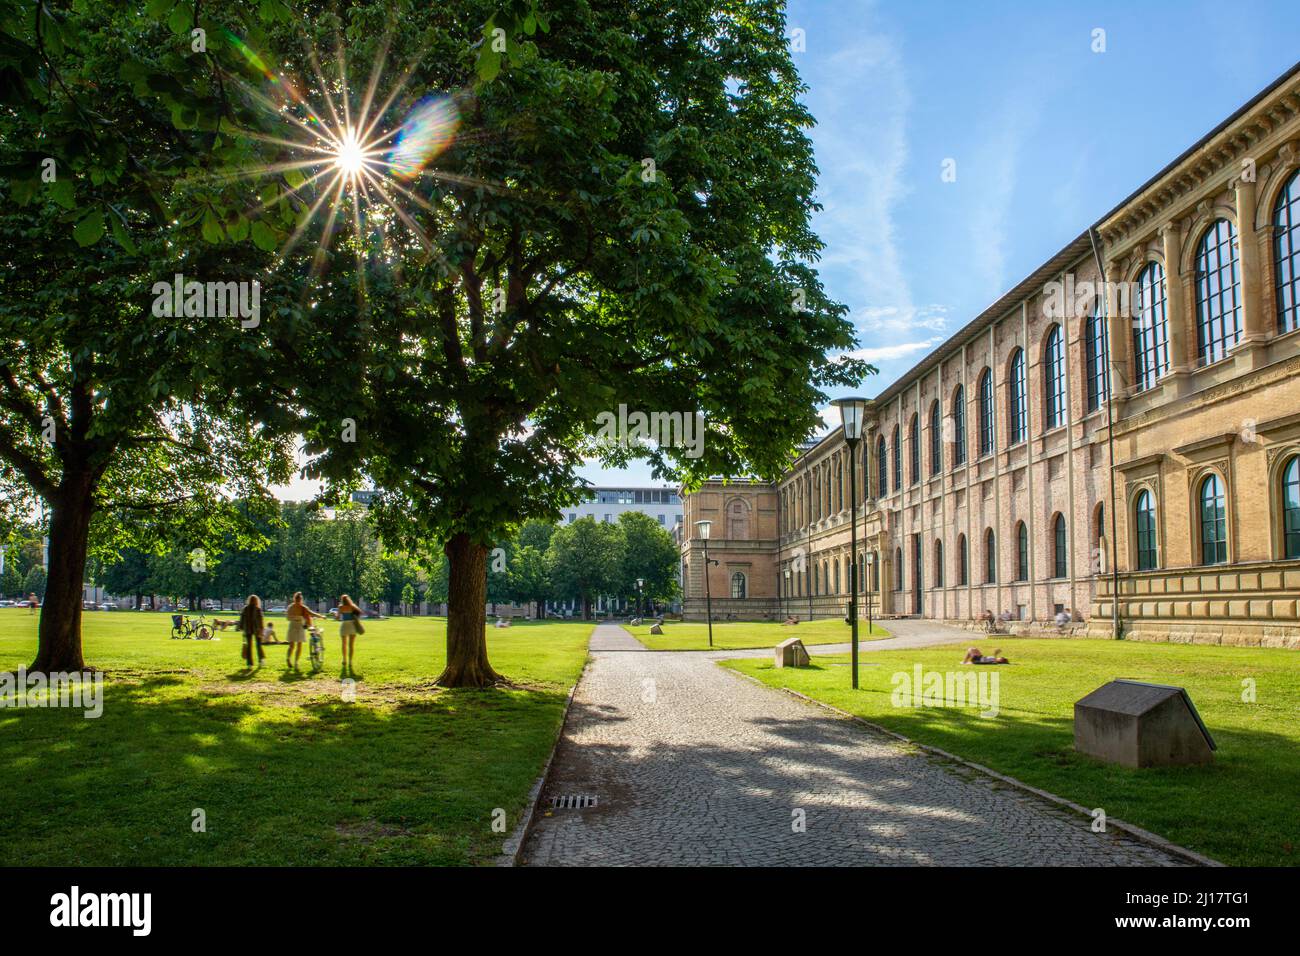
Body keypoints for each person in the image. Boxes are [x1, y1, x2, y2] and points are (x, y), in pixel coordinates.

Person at [285, 592, 320, 670]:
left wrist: (320, 616)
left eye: (300, 600)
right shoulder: (291, 607)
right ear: (295, 599)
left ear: (301, 600)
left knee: (299, 645)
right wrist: (296, 617)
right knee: (291, 646)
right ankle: (288, 659)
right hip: (293, 626)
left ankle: (296, 662)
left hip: (300, 626)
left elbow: (311, 613)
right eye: (297, 600)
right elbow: (287, 617)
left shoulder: (303, 607)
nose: (298, 601)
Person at [333, 594, 363, 673]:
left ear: (342, 600)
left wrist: (335, 615)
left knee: (343, 644)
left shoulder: (340, 607)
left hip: (344, 625)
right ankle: (350, 661)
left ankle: (344, 659)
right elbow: (360, 613)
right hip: (352, 625)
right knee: (351, 645)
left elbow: (337, 618)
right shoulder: (352, 606)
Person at [238, 595, 265, 667]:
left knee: (249, 646)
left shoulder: (245, 609)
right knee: (258, 645)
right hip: (257, 629)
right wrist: (261, 630)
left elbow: (241, 619)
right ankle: (261, 660)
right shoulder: (258, 609)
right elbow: (260, 621)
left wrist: (241, 627)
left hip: (247, 629)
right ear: (256, 601)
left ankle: (249, 663)